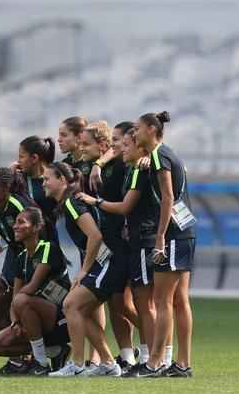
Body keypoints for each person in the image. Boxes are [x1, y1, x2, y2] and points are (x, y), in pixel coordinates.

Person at [78, 124, 158, 372]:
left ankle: (155, 351)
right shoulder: (98, 165)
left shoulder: (130, 164)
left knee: (135, 303)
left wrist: (147, 159)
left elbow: (127, 204)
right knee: (117, 303)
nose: (116, 146)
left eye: (119, 141)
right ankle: (129, 357)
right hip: (115, 243)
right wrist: (99, 163)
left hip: (128, 244)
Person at [42, 161, 121, 377]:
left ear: (62, 180)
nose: (44, 183)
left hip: (107, 263)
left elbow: (95, 236)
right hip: (104, 263)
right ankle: (108, 363)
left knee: (71, 304)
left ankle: (78, 365)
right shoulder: (69, 203)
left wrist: (84, 270)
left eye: (47, 179)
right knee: (78, 309)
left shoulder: (71, 203)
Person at [133, 111, 196, 378]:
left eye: (136, 129)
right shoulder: (166, 154)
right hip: (186, 230)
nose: (134, 134)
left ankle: (155, 362)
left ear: (150, 129)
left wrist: (159, 237)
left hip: (172, 233)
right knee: (180, 300)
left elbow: (168, 197)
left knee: (162, 301)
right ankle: (182, 363)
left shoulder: (159, 156)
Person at [0, 207, 71, 376]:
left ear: (36, 227)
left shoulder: (48, 248)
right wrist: (16, 323)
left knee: (22, 300)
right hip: (34, 319)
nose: (15, 226)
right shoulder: (21, 258)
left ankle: (40, 362)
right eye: (16, 222)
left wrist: (18, 306)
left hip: (61, 319)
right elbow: (14, 299)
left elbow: (31, 287)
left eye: (21, 222)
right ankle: (55, 351)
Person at [0, 167, 34, 375]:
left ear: (7, 188)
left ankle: (39, 352)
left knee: (20, 306)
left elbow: (39, 236)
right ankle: (18, 359)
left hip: (33, 254)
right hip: (14, 255)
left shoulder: (19, 205)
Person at [16, 136, 58, 238]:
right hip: (23, 244)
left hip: (47, 241)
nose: (18, 161)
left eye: (21, 157)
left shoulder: (56, 180)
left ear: (34, 158)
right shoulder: (19, 179)